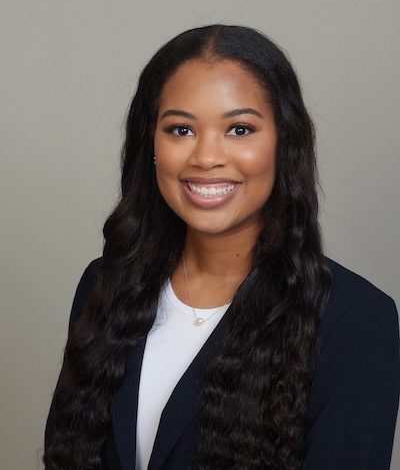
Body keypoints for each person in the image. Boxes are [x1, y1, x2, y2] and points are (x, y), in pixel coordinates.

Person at [43, 25, 399, 470]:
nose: (207, 157)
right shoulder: (105, 283)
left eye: (239, 129)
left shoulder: (356, 320)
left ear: (283, 141)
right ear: (151, 143)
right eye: (181, 129)